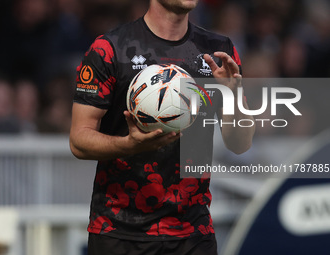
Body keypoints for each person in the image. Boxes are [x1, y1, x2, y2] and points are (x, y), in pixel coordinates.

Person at [69, 0, 255, 254]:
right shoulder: (110, 49)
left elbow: (240, 144)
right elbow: (79, 140)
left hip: (193, 234)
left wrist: (233, 99)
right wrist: (128, 145)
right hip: (118, 231)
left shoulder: (219, 51)